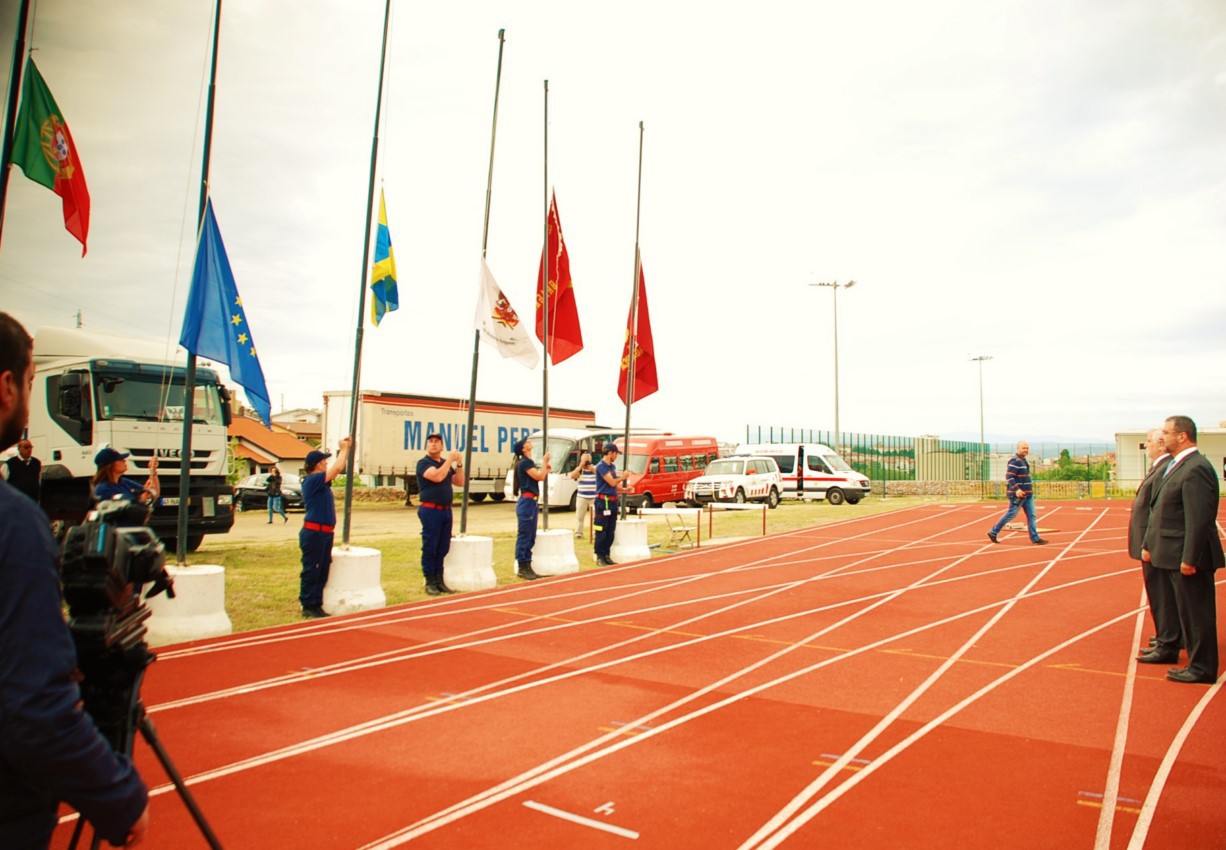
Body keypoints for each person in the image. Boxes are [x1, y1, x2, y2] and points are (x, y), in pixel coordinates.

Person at [0, 312, 150, 848]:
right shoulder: (14, 524)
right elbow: (31, 707)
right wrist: (117, 797)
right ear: (8, 387)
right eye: (33, 379)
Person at [1141, 416, 1224, 684]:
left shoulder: (1196, 467)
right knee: (1187, 613)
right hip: (1174, 554)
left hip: (1188, 558)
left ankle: (1202, 668)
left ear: (1183, 436)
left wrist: (1190, 557)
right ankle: (1196, 664)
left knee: (1197, 614)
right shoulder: (1180, 465)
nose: (1162, 437)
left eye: (1167, 432)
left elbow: (1199, 518)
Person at [1131, 427, 1180, 665]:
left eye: (1148, 441)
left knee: (1161, 594)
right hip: (1152, 542)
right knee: (1161, 593)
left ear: (1160, 444)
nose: (1146, 445)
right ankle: (1168, 635)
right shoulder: (1160, 467)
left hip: (1155, 543)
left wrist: (1148, 542)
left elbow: (1156, 511)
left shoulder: (1164, 469)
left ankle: (1168, 640)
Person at [298, 439, 351, 619]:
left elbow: (338, 468)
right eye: (323, 461)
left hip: (324, 532)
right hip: (314, 532)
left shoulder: (321, 483)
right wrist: (343, 449)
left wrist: (346, 450)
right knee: (312, 569)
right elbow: (335, 469)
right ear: (317, 465)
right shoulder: (312, 480)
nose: (326, 463)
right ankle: (308, 604)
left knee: (322, 570)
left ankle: (316, 603)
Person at [416, 433, 464, 595]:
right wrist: (450, 461)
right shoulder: (423, 463)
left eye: (437, 442)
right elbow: (436, 476)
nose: (433, 444)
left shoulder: (444, 463)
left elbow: (459, 482)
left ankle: (439, 579)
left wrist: (459, 464)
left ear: (442, 446)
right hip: (430, 510)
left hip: (445, 510)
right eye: (430, 442)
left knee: (442, 546)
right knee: (431, 545)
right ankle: (430, 580)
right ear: (426, 446)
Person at [987, 441, 1047, 545]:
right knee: (1011, 514)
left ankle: (1035, 538)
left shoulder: (1023, 461)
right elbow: (1009, 476)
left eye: (1027, 448)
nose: (1026, 450)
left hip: (1028, 494)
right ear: (1018, 449)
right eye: (1023, 448)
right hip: (1018, 495)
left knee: (1031, 515)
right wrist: (1017, 490)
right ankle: (993, 532)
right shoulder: (1015, 461)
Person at [512, 438, 550, 580]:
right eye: (526, 442)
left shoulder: (528, 463)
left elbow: (541, 475)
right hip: (527, 501)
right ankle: (522, 565)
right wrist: (545, 462)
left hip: (532, 501)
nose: (529, 442)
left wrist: (545, 467)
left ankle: (527, 564)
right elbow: (539, 476)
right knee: (525, 534)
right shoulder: (525, 463)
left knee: (530, 535)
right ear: (523, 449)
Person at [593, 443, 631, 567]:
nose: (616, 456)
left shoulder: (612, 466)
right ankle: (599, 555)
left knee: (610, 530)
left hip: (613, 501)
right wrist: (623, 477)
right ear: (610, 453)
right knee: (601, 529)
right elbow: (611, 482)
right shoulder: (601, 466)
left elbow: (614, 484)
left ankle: (606, 554)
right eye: (616, 454)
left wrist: (623, 489)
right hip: (603, 502)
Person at [93, 447, 159, 505]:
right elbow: (117, 512)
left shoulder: (124, 482)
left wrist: (153, 471)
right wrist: (141, 499)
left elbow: (154, 494)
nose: (124, 461)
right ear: (110, 465)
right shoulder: (103, 489)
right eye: (120, 459)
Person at [3, 438, 41, 504]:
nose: (29, 449)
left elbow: (38, 480)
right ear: (19, 448)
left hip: (32, 501)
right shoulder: (10, 464)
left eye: (30, 447)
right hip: (15, 502)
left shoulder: (36, 463)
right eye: (26, 447)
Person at [570, 451, 596, 539]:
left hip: (593, 497)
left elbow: (600, 474)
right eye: (584, 460)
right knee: (579, 516)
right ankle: (578, 533)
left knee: (595, 517)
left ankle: (595, 532)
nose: (586, 463)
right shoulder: (580, 470)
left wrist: (591, 468)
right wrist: (580, 466)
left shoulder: (595, 468)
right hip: (582, 497)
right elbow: (572, 476)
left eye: (587, 460)